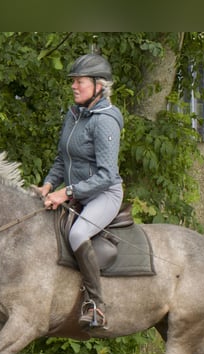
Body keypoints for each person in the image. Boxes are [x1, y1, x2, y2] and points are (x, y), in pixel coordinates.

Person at [36, 53, 124, 330]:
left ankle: (96, 304)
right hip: (77, 194)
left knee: (77, 233)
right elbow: (63, 159)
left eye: (80, 81)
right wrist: (49, 184)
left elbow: (106, 175)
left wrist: (66, 192)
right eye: (72, 81)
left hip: (104, 194)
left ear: (99, 85)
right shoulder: (74, 115)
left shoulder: (105, 120)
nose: (74, 86)